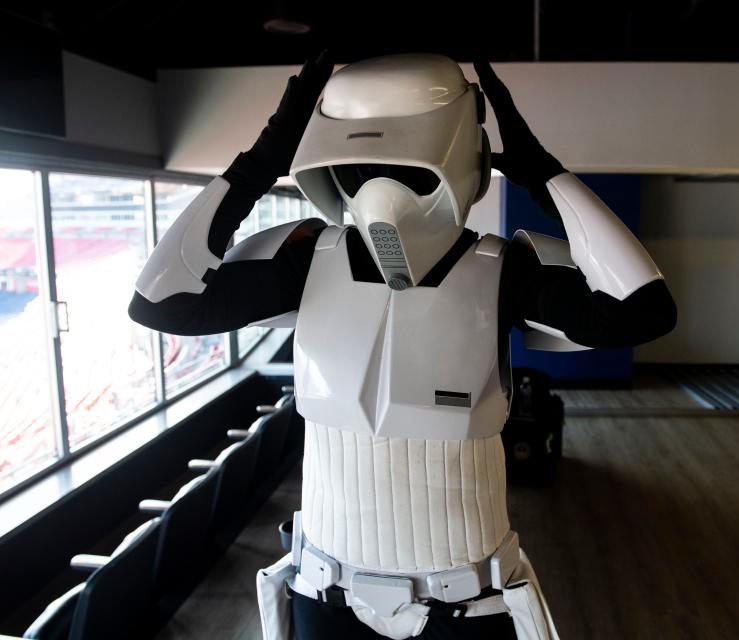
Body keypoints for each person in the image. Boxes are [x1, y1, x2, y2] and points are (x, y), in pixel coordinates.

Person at [129, 52, 676, 640]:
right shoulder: (306, 260)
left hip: (464, 609)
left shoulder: (504, 272)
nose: (378, 186)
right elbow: (161, 301)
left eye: (403, 166)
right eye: (362, 166)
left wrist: (542, 171)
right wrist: (262, 162)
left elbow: (641, 309)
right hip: (324, 595)